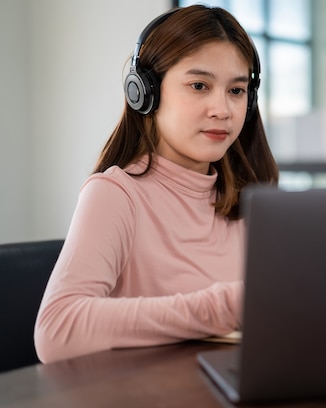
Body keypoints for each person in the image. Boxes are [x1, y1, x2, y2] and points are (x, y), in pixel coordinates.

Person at [34, 5, 279, 363]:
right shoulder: (116, 195)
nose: (222, 109)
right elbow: (57, 330)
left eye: (237, 91)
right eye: (199, 85)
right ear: (145, 92)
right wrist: (224, 305)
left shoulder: (250, 199)